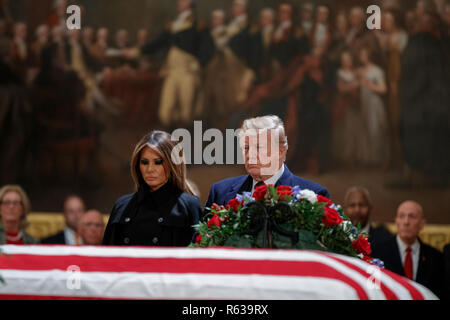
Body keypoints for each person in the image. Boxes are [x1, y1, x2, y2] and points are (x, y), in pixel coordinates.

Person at [205, 115, 330, 210]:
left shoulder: (314, 195)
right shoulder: (220, 192)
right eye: (246, 148)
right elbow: (200, 243)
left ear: (281, 151)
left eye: (259, 147)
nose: (251, 155)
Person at [102, 130, 201, 246]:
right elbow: (108, 255)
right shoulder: (122, 205)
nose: (150, 169)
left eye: (158, 162)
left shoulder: (188, 205)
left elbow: (197, 257)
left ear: (172, 163)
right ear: (137, 165)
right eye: (144, 162)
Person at [122, 0, 202, 128]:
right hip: (171, 71)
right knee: (165, 112)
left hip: (187, 73)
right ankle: (170, 144)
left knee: (187, 113)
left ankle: (187, 144)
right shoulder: (172, 25)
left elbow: (207, 49)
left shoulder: (198, 25)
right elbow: (157, 43)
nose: (178, 3)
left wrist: (198, 64)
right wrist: (137, 51)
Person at [371, 201, 445, 299]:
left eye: (412, 217)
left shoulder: (436, 257)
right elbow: (372, 290)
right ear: (396, 221)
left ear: (422, 224)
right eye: (401, 216)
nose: (406, 222)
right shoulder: (377, 253)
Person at [357, 47, 390, 168]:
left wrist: (368, 84)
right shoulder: (360, 70)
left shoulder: (377, 71)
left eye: (363, 55)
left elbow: (383, 89)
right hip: (364, 104)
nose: (361, 57)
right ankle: (370, 161)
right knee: (365, 132)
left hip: (374, 104)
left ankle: (381, 162)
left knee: (376, 131)